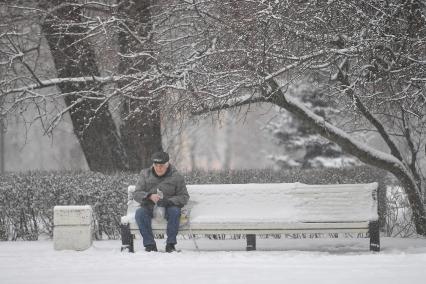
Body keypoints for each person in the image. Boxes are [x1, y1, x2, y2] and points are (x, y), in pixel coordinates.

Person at [133, 151, 190, 252]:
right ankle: (150, 245)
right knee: (140, 213)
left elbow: (184, 196)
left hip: (169, 206)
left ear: (167, 165)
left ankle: (170, 245)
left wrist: (169, 201)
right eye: (156, 165)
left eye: (161, 165)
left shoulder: (177, 177)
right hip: (149, 206)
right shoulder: (145, 174)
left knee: (175, 212)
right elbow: (136, 193)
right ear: (153, 164)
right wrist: (149, 196)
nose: (159, 168)